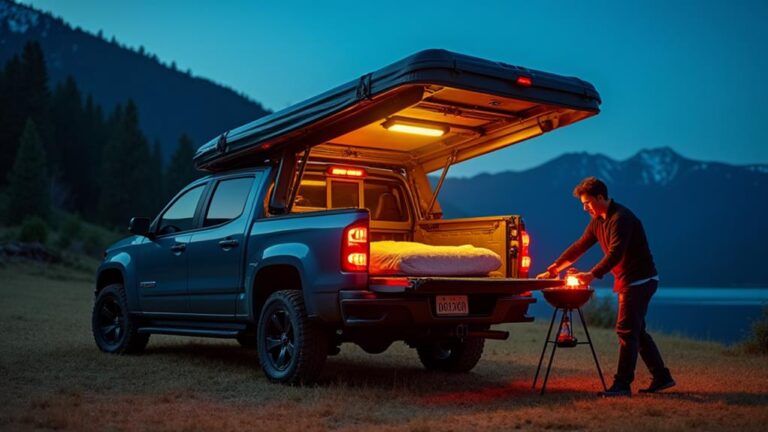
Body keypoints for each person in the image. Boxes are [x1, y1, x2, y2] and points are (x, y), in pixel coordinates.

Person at [536, 176, 674, 397]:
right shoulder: (597, 221)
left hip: (640, 280)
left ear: (600, 197)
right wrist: (554, 268)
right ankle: (662, 376)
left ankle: (622, 385)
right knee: (637, 331)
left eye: (587, 203)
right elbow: (579, 246)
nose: (585, 208)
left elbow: (615, 254)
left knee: (626, 330)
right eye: (583, 204)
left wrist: (591, 275)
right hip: (628, 280)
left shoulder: (622, 218)